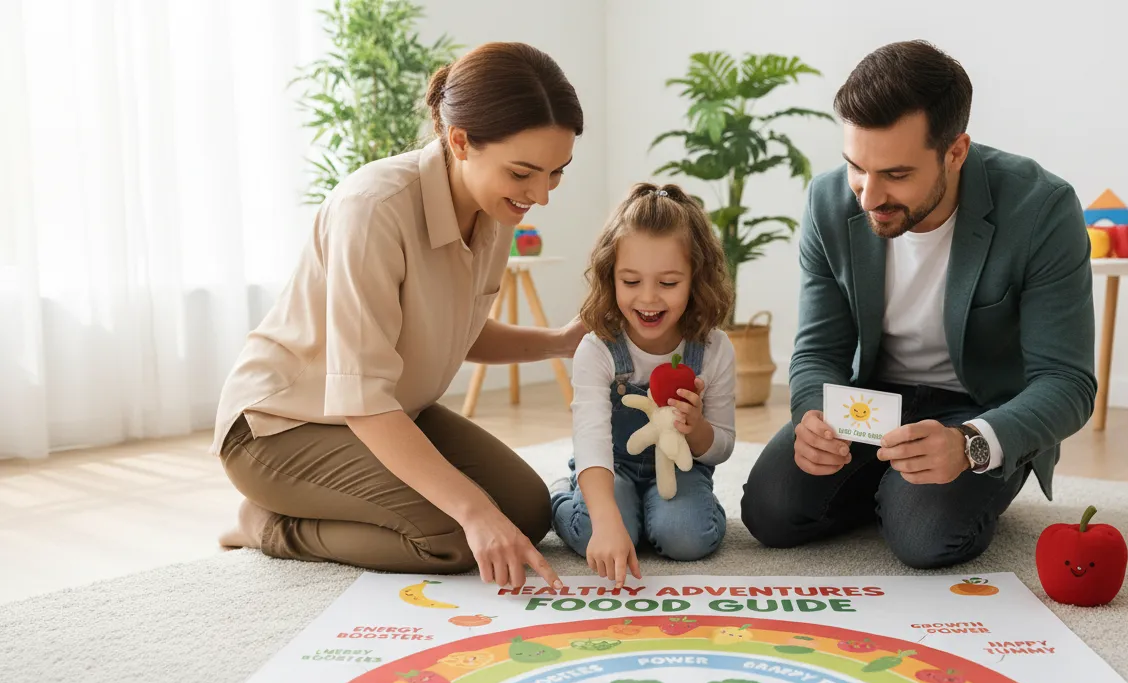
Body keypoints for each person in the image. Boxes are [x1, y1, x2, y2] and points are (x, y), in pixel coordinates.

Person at [211, 42, 586, 590]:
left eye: (555, 173)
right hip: (280, 429)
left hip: (390, 412)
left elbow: (458, 327)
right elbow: (360, 400)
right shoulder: (373, 210)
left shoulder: (495, 208)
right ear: (460, 141)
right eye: (524, 173)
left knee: (526, 512)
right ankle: (266, 525)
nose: (540, 196)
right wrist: (473, 513)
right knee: (460, 535)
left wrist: (561, 340)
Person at [741, 40, 1096, 569]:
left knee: (926, 539)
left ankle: (917, 495)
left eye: (897, 175)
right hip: (868, 405)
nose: (867, 197)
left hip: (980, 410)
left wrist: (973, 445)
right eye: (857, 167)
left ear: (955, 152)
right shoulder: (828, 201)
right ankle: (892, 491)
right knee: (771, 512)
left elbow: (1067, 382)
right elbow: (818, 349)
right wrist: (812, 414)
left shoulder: (1042, 208)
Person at [550, 183, 737, 587]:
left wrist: (698, 429)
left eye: (668, 283)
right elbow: (591, 441)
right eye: (631, 282)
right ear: (610, 277)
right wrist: (605, 521)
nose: (648, 298)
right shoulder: (596, 349)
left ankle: (654, 512)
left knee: (689, 538)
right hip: (610, 466)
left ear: (696, 279)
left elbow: (722, 447)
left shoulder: (714, 349)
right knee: (593, 531)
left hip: (680, 468)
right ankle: (563, 495)